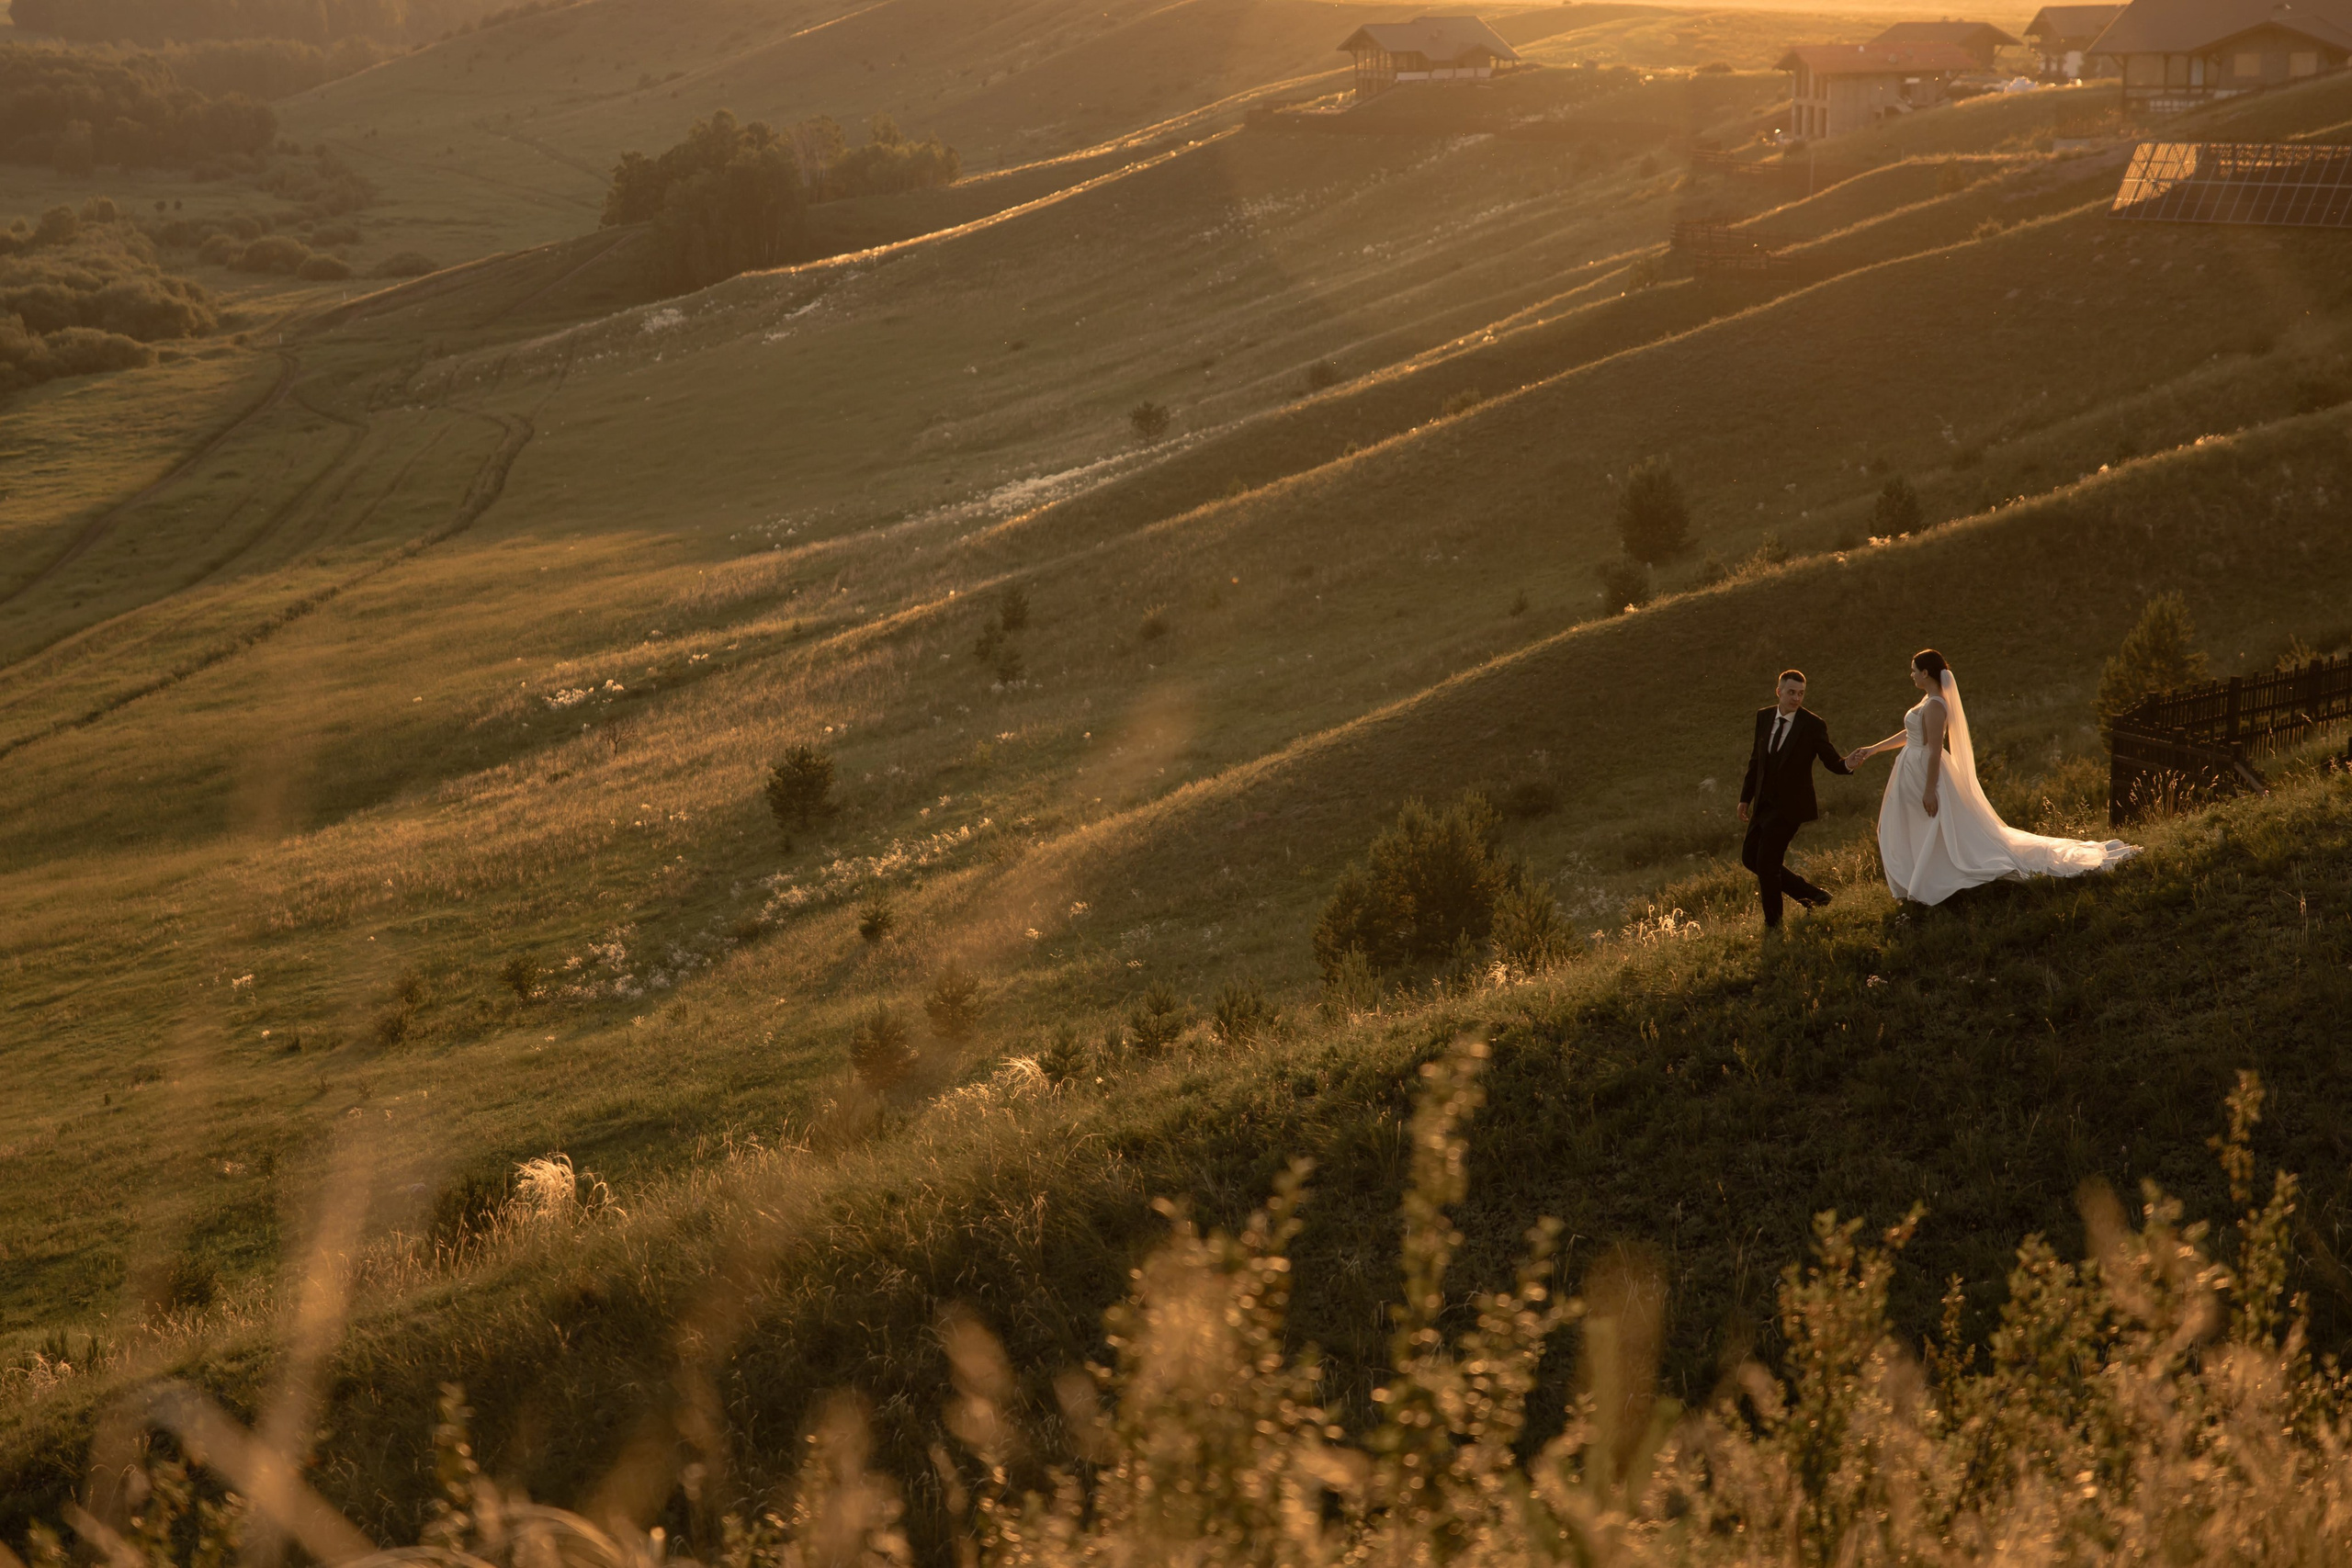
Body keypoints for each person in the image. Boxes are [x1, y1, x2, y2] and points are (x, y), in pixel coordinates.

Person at [1846, 649, 2138, 905]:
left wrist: (1930, 789)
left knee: (1936, 824)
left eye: (1913, 671)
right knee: (1912, 826)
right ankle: (1916, 878)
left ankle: (1931, 879)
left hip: (1924, 770)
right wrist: (1873, 749)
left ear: (1925, 672)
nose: (1911, 676)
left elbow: (1934, 750)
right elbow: (1911, 735)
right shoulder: (1926, 701)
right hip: (1910, 768)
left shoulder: (1936, 705)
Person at [1738, 669, 1854, 930]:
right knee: (1749, 857)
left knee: (1767, 865)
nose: (1796, 699)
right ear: (1779, 691)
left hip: (1790, 807)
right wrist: (1746, 798)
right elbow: (1757, 760)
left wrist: (1848, 764)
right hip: (1763, 805)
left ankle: (1774, 926)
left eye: (1801, 694)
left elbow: (1831, 760)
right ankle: (1815, 896)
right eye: (1791, 692)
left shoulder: (1812, 725)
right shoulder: (1764, 716)